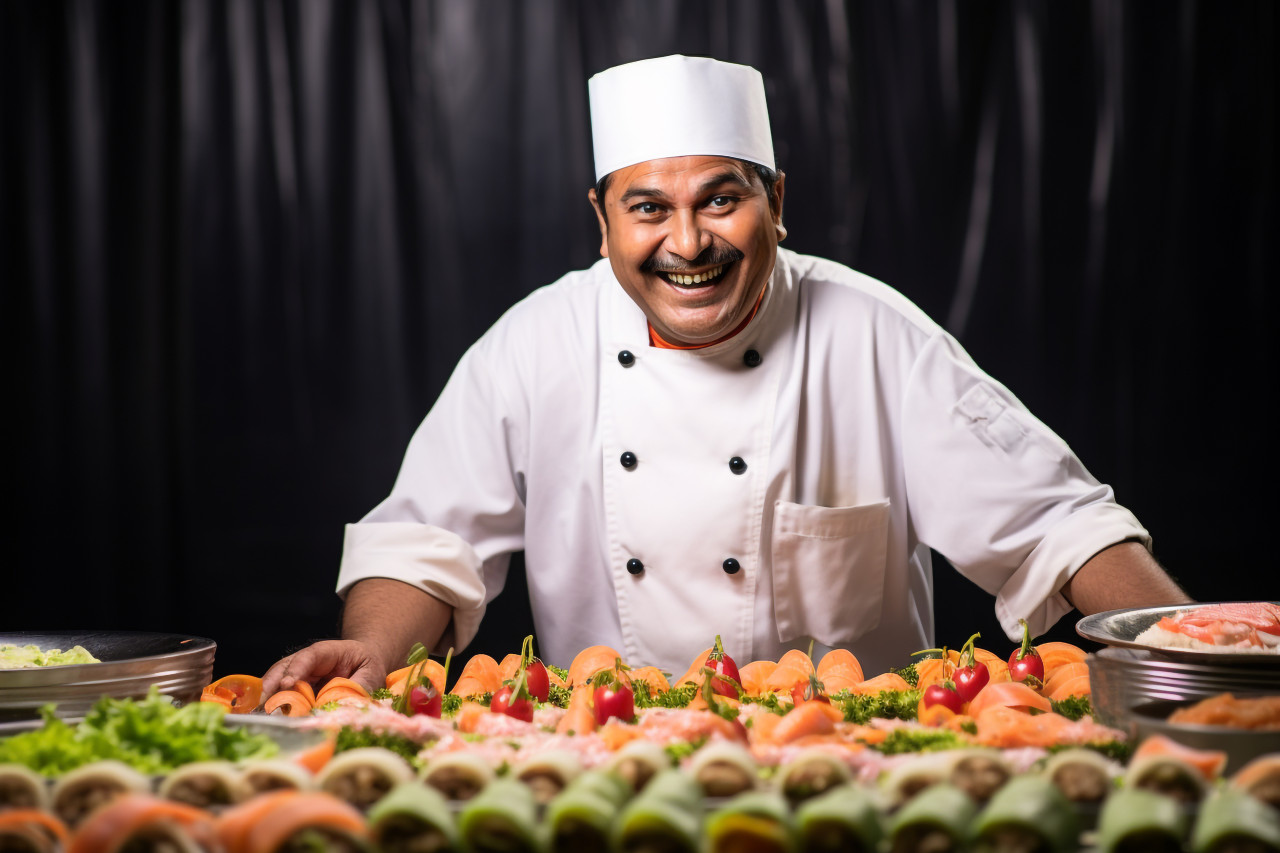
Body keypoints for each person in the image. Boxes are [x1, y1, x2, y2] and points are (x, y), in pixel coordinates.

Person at [263, 55, 1188, 696]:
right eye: (648, 209)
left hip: (848, 770)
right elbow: (425, 542)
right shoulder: (535, 344)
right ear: (602, 223)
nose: (688, 242)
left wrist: (1203, 652)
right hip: (603, 760)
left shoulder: (875, 334)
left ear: (775, 202)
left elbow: (1059, 527)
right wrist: (372, 651)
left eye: (720, 198)